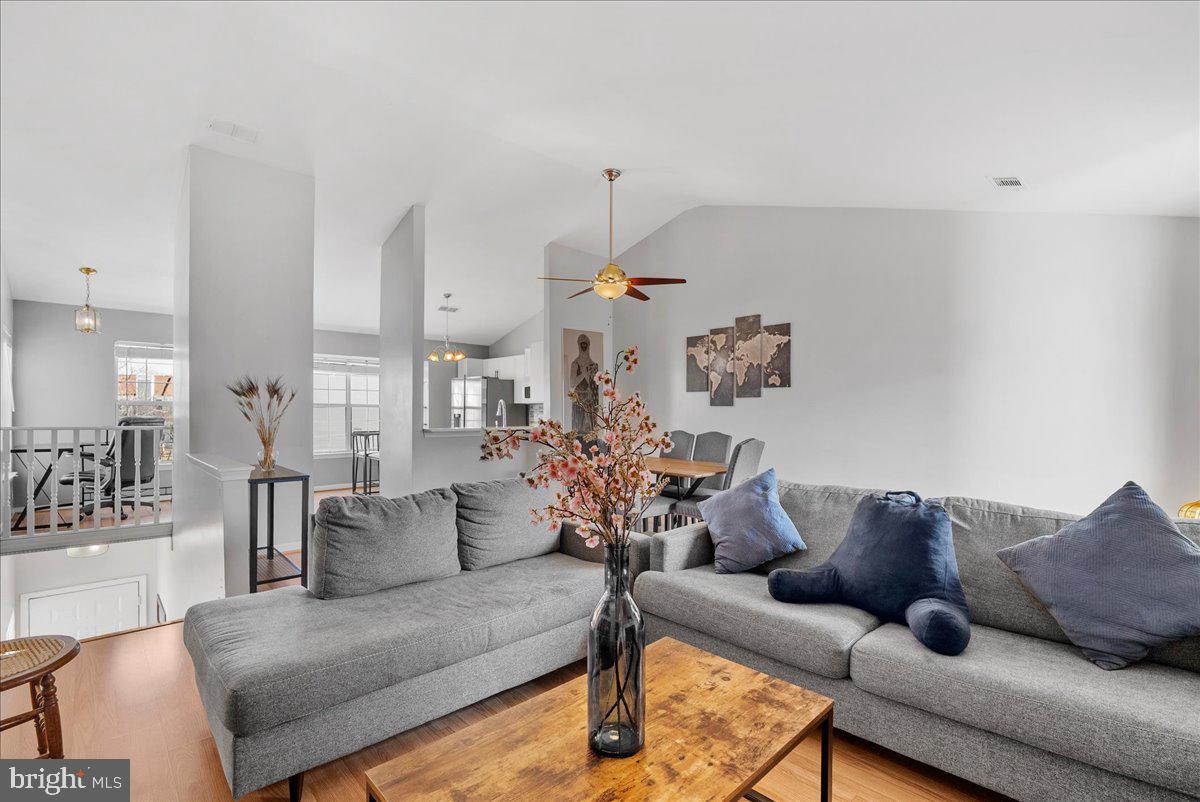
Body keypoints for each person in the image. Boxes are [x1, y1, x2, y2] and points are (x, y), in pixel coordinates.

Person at [569, 333, 599, 433]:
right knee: (578, 430)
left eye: (585, 344)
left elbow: (596, 387)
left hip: (591, 402)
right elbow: (572, 383)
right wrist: (583, 373)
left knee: (591, 432)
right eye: (582, 344)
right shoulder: (575, 364)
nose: (584, 346)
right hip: (579, 401)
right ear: (578, 345)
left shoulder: (594, 365)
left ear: (588, 345)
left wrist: (596, 406)